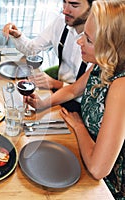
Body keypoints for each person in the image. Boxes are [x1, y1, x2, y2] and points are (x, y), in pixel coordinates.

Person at [26, 0, 125, 198]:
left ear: (109, 47)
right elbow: (73, 90)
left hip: (107, 185)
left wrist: (79, 126)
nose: (79, 42)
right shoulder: (104, 64)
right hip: (84, 154)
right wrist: (42, 104)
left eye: (88, 40)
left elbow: (98, 169)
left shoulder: (121, 87)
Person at [3, 0, 95, 113]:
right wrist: (17, 36)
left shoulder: (101, 41)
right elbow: (32, 49)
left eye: (74, 5)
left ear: (93, 7)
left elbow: (87, 94)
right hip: (60, 94)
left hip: (80, 107)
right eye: (64, 2)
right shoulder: (61, 22)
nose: (65, 10)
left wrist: (54, 83)